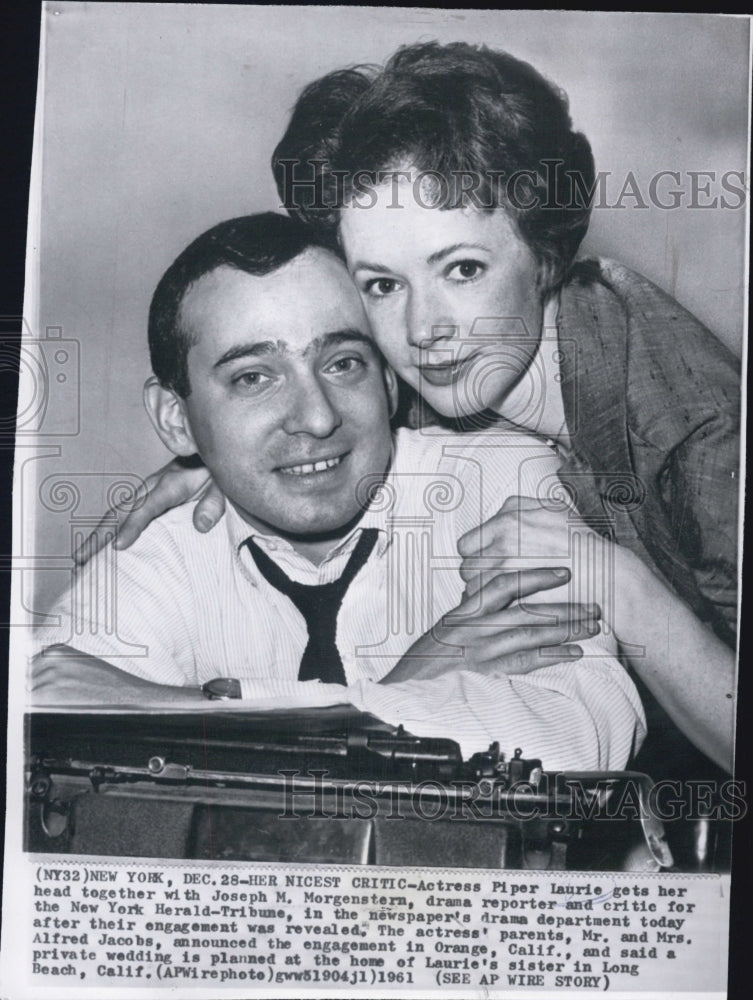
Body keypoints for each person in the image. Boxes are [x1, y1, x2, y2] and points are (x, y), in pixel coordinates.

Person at [82, 42, 738, 773]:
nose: (425, 329)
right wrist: (219, 458)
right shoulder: (446, 384)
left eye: (462, 269)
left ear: (547, 254)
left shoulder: (699, 428)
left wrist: (618, 582)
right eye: (383, 284)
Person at [32, 212, 644, 772]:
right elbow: (44, 719)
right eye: (253, 378)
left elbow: (580, 742)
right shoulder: (153, 547)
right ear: (175, 418)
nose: (317, 417)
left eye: (342, 363)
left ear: (388, 378)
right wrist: (410, 686)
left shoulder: (500, 484)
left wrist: (197, 709)